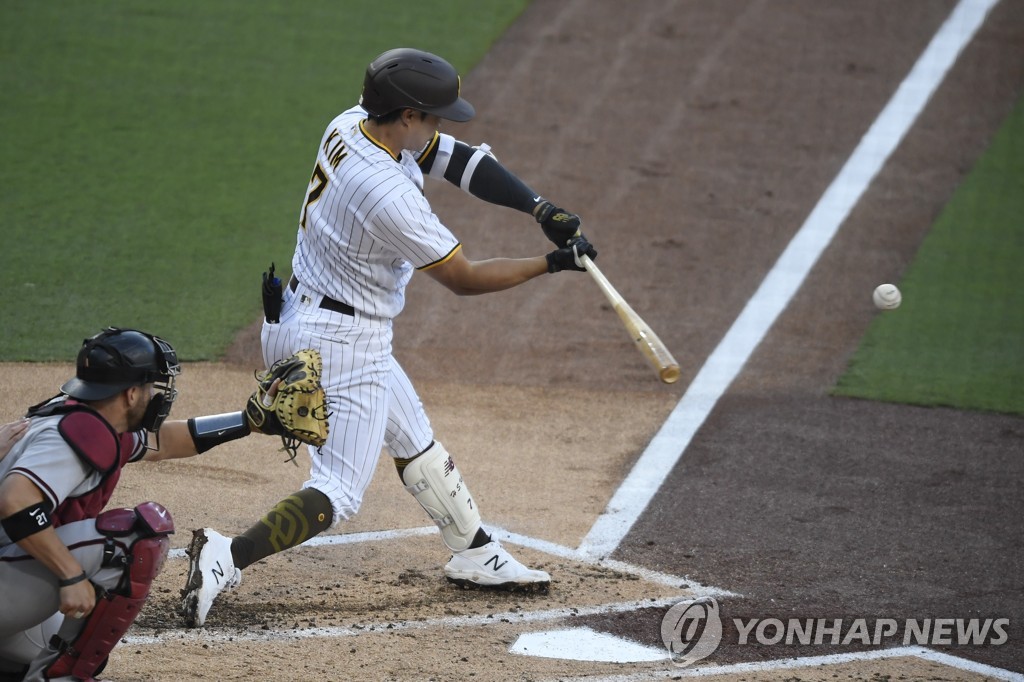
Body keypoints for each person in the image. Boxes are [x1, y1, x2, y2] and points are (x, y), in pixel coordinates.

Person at [181, 47, 597, 627]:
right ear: (406, 114)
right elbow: (464, 279)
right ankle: (229, 556)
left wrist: (538, 206)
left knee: (411, 433)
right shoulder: (386, 193)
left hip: (308, 312)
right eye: (433, 115)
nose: (440, 125)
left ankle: (476, 552)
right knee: (339, 492)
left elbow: (453, 159)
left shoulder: (352, 122)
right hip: (343, 341)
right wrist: (551, 264)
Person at [0, 328, 271, 681]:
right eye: (150, 388)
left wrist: (249, 422)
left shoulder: (88, 421)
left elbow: (167, 441)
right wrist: (71, 574)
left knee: (58, 647)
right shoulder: (76, 437)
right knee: (133, 539)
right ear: (130, 394)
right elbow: (16, 501)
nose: (156, 396)